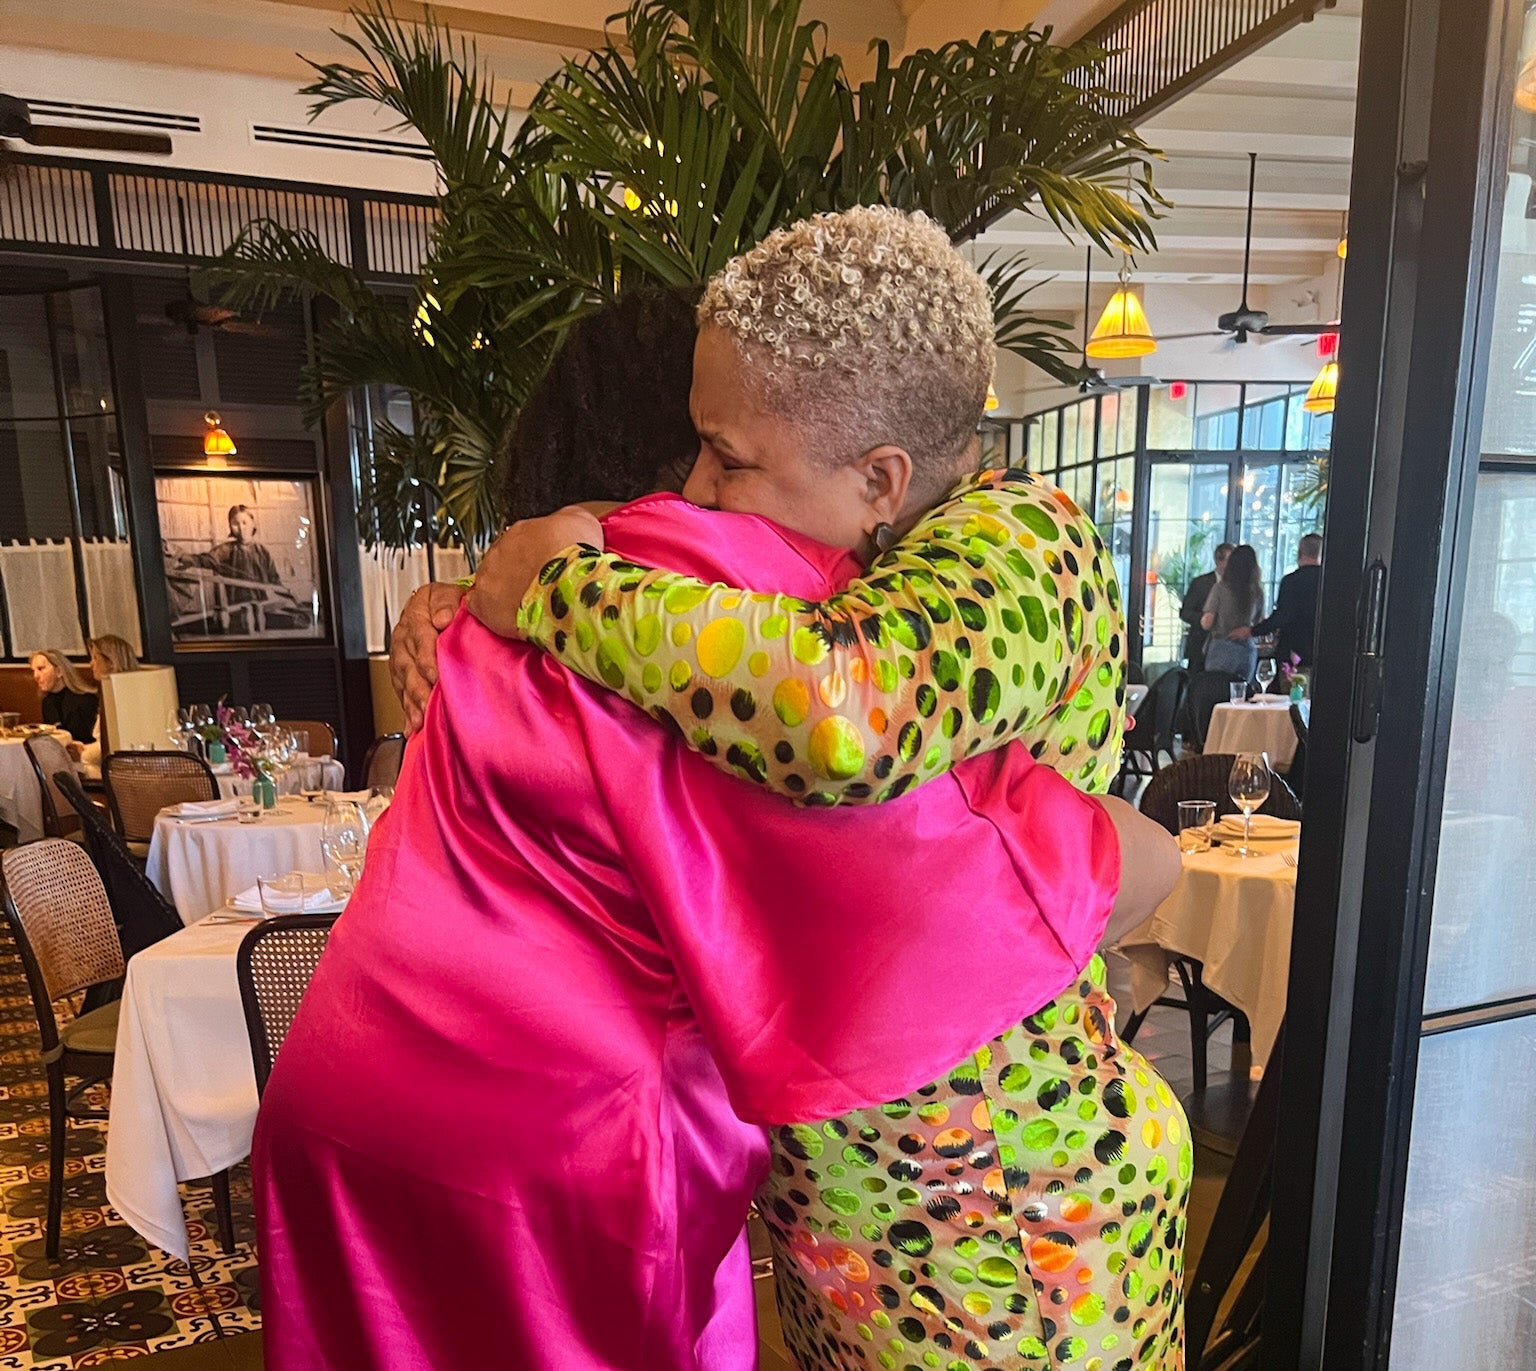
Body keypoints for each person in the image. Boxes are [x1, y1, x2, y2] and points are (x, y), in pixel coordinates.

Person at [376, 209, 1188, 1369]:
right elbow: (719, 609)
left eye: (729, 456)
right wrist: (481, 591)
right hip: (867, 1213)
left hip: (1012, 1218)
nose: (699, 487)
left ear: (881, 477)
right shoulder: (864, 546)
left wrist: (556, 589)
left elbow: (840, 713)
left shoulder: (1022, 545)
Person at [178, 505, 309, 631]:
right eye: (236, 524)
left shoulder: (262, 551)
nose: (241, 528)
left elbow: (274, 580)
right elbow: (205, 560)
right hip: (236, 609)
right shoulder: (225, 550)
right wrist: (182, 557)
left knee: (300, 618)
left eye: (245, 522)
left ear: (253, 524)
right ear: (230, 527)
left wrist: (290, 596)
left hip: (262, 606)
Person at [1242, 531, 1322, 673]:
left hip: (1292, 649)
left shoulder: (1291, 581)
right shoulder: (1329, 583)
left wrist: (1253, 631)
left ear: (1300, 552)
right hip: (1322, 650)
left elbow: (1283, 616)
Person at [1201, 543, 1264, 681]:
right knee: (1242, 695)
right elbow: (1259, 624)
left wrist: (1205, 618)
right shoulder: (1257, 592)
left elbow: (1207, 622)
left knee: (1217, 693)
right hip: (1247, 649)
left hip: (1221, 648)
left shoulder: (1220, 588)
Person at [1180, 542, 1233, 672]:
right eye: (1230, 561)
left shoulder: (1237, 587)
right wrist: (1207, 619)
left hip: (1229, 647)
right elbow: (1185, 613)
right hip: (1201, 646)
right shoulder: (1200, 583)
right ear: (1219, 561)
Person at [29, 649, 97, 744]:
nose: (35, 676)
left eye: (41, 669)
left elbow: (92, 739)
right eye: (33, 670)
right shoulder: (47, 702)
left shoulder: (86, 700)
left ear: (59, 671)